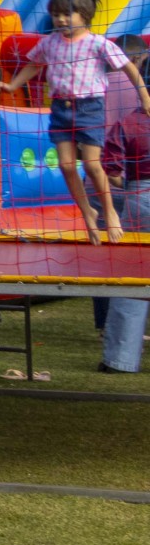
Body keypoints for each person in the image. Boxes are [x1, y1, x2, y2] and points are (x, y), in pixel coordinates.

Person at [0, 0, 150, 242]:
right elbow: (34, 65)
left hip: (90, 108)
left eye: (67, 14)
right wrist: (13, 86)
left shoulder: (97, 43)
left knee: (92, 164)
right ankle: (88, 211)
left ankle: (110, 212)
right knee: (66, 165)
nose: (60, 20)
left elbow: (128, 67)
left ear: (84, 15)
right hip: (61, 108)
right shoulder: (49, 43)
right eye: (56, 15)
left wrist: (144, 96)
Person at [98, 75, 150, 374]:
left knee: (132, 278)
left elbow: (111, 170)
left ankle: (120, 359)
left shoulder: (129, 122)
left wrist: (131, 185)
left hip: (140, 195)